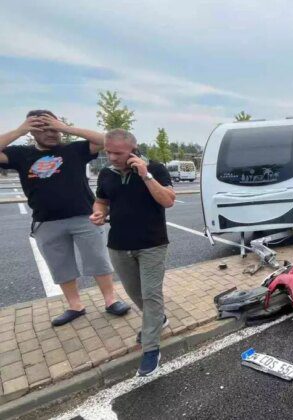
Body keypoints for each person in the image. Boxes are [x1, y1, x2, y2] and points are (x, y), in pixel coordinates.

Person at [0, 111, 130, 326]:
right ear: (32, 132)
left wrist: (65, 128)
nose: (51, 133)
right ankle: (75, 306)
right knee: (60, 266)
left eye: (54, 128)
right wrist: (19, 130)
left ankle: (110, 300)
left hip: (83, 216)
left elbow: (105, 140)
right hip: (46, 221)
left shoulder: (74, 149)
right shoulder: (21, 154)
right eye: (44, 129)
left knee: (98, 260)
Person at [91, 129, 175, 376]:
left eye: (118, 152)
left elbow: (168, 200)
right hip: (118, 244)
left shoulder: (155, 168)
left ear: (133, 149)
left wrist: (145, 174)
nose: (112, 157)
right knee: (134, 293)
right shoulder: (106, 174)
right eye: (108, 151)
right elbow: (102, 201)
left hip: (152, 244)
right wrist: (99, 212)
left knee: (150, 295)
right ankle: (157, 320)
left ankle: (150, 348)